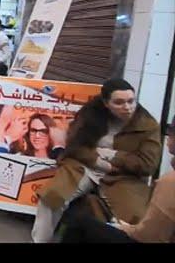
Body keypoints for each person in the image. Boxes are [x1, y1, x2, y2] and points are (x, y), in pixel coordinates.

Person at [31, 79, 162, 243]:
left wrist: (111, 155)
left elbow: (148, 164)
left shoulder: (148, 126)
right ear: (106, 103)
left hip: (123, 176)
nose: (127, 107)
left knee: (133, 218)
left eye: (131, 101)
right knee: (51, 198)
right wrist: (98, 160)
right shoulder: (90, 114)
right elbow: (75, 145)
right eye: (119, 102)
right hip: (83, 167)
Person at [61, 119, 175, 243]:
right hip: (105, 195)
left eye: (170, 130)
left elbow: (149, 237)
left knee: (79, 224)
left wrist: (126, 229)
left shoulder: (170, 181)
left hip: (138, 229)